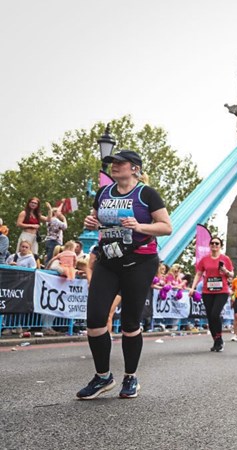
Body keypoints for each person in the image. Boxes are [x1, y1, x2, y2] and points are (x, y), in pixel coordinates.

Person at [77, 149, 171, 400]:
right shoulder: (103, 193)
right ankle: (103, 376)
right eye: (112, 163)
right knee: (95, 320)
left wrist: (140, 226)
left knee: (130, 323)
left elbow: (166, 227)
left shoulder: (146, 194)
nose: (114, 166)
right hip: (108, 260)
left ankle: (130, 377)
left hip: (140, 261)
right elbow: (97, 221)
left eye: (121, 163)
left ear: (135, 168)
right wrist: (92, 223)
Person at [190, 236, 234, 352]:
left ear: (220, 246)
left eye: (217, 243)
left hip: (222, 291)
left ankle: (219, 338)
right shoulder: (204, 259)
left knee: (215, 314)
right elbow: (199, 274)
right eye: (212, 243)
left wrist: (225, 271)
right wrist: (193, 288)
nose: (214, 245)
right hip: (207, 291)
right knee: (210, 316)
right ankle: (216, 340)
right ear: (209, 245)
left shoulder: (225, 259)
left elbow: (231, 274)